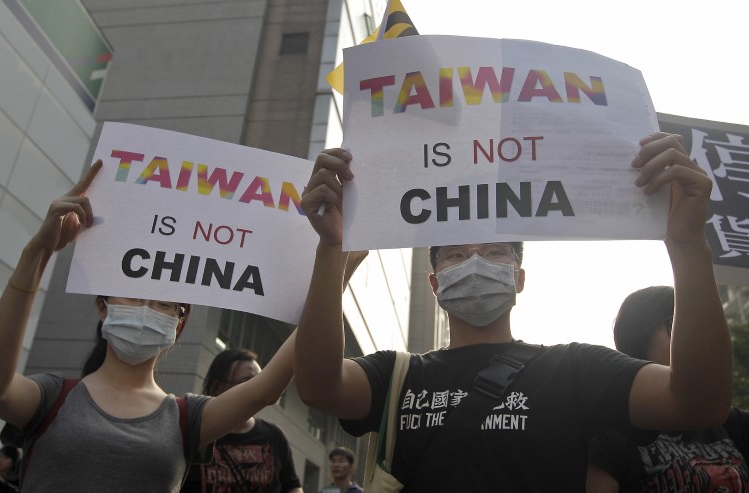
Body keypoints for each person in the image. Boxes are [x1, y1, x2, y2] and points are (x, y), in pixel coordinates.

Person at [294, 132, 733, 491]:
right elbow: (319, 386)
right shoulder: (397, 376)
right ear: (434, 284)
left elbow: (696, 402)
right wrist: (331, 247)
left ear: (519, 279)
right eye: (455, 256)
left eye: (495, 251)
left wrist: (688, 244)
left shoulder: (576, 369)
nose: (475, 262)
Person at [0, 160, 296, 492]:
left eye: (163, 303)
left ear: (178, 325)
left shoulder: (188, 417)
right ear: (103, 307)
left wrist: (331, 266)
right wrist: (38, 250)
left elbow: (267, 388)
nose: (146, 309)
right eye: (132, 295)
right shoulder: (51, 397)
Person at [587, 286, 749, 492]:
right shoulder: (609, 437)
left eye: (700, 328)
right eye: (676, 325)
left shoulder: (731, 423)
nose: (694, 339)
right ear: (639, 337)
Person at [181, 348, 303, 493]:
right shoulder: (194, 430)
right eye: (246, 382)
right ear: (216, 386)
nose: (257, 389)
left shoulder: (274, 436)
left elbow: (292, 486)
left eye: (260, 381)